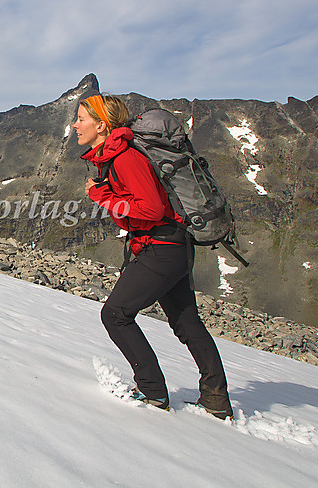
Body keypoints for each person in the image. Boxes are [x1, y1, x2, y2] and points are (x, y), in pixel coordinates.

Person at [73, 90, 234, 420]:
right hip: (170, 246)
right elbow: (130, 214)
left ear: (101, 126)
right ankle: (216, 399)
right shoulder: (115, 158)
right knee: (186, 321)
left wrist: (103, 196)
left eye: (81, 119)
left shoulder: (125, 158)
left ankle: (152, 391)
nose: (75, 125)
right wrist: (105, 195)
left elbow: (150, 208)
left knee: (115, 314)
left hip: (161, 248)